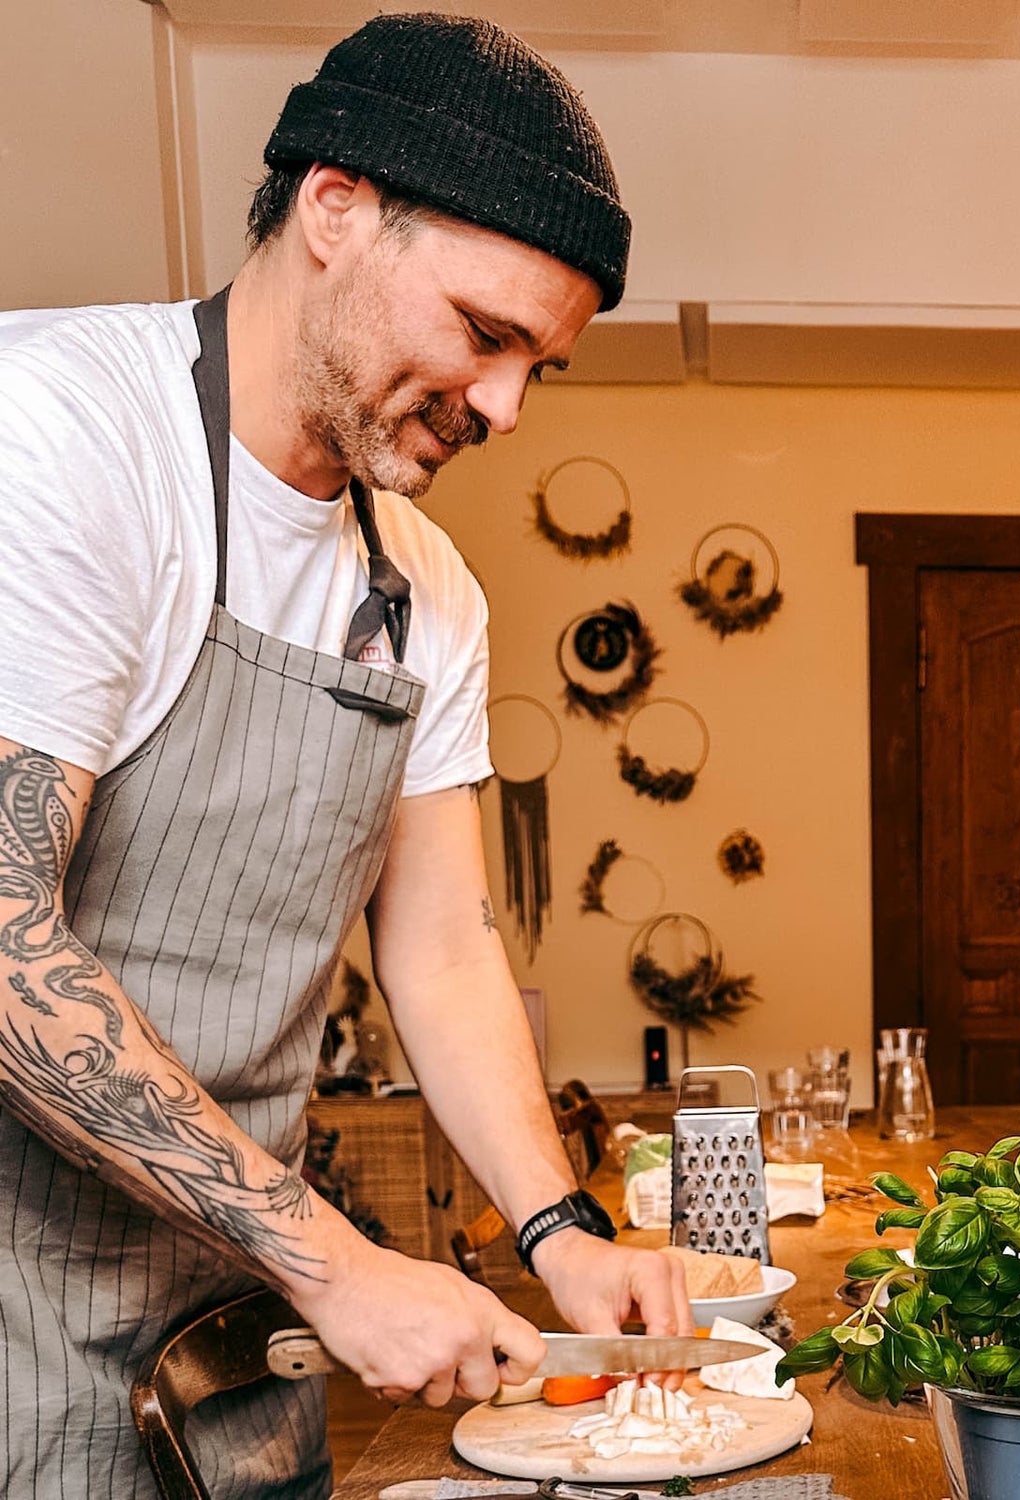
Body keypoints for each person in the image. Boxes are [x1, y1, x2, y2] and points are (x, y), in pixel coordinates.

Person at [0, 14, 690, 1499]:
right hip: (20, 1331)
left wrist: (561, 1233)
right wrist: (339, 1261)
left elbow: (440, 951)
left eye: (539, 370)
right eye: (484, 333)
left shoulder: (427, 589)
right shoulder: (59, 438)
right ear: (334, 211)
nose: (503, 403)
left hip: (245, 1340)